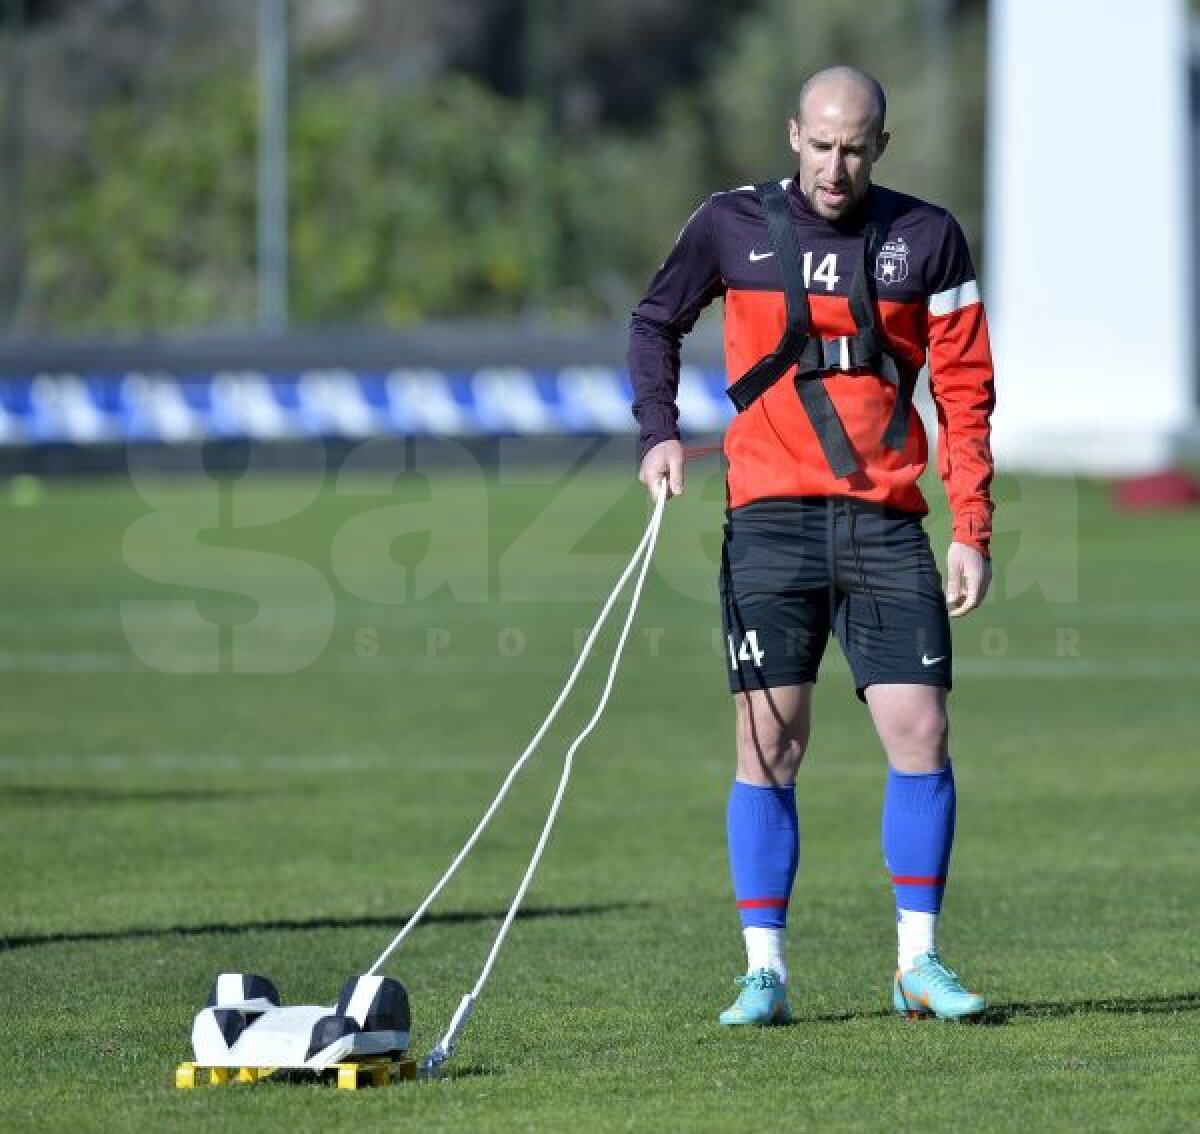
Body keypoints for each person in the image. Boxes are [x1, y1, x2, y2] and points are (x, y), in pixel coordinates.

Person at [628, 65, 995, 1025]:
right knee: (771, 745)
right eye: (822, 145)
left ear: (882, 147)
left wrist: (972, 526)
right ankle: (766, 974)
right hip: (770, 521)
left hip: (886, 523)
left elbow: (965, 392)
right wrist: (658, 432)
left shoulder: (929, 237)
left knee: (921, 732)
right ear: (795, 135)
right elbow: (655, 321)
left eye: (856, 149)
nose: (836, 167)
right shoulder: (729, 223)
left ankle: (918, 963)